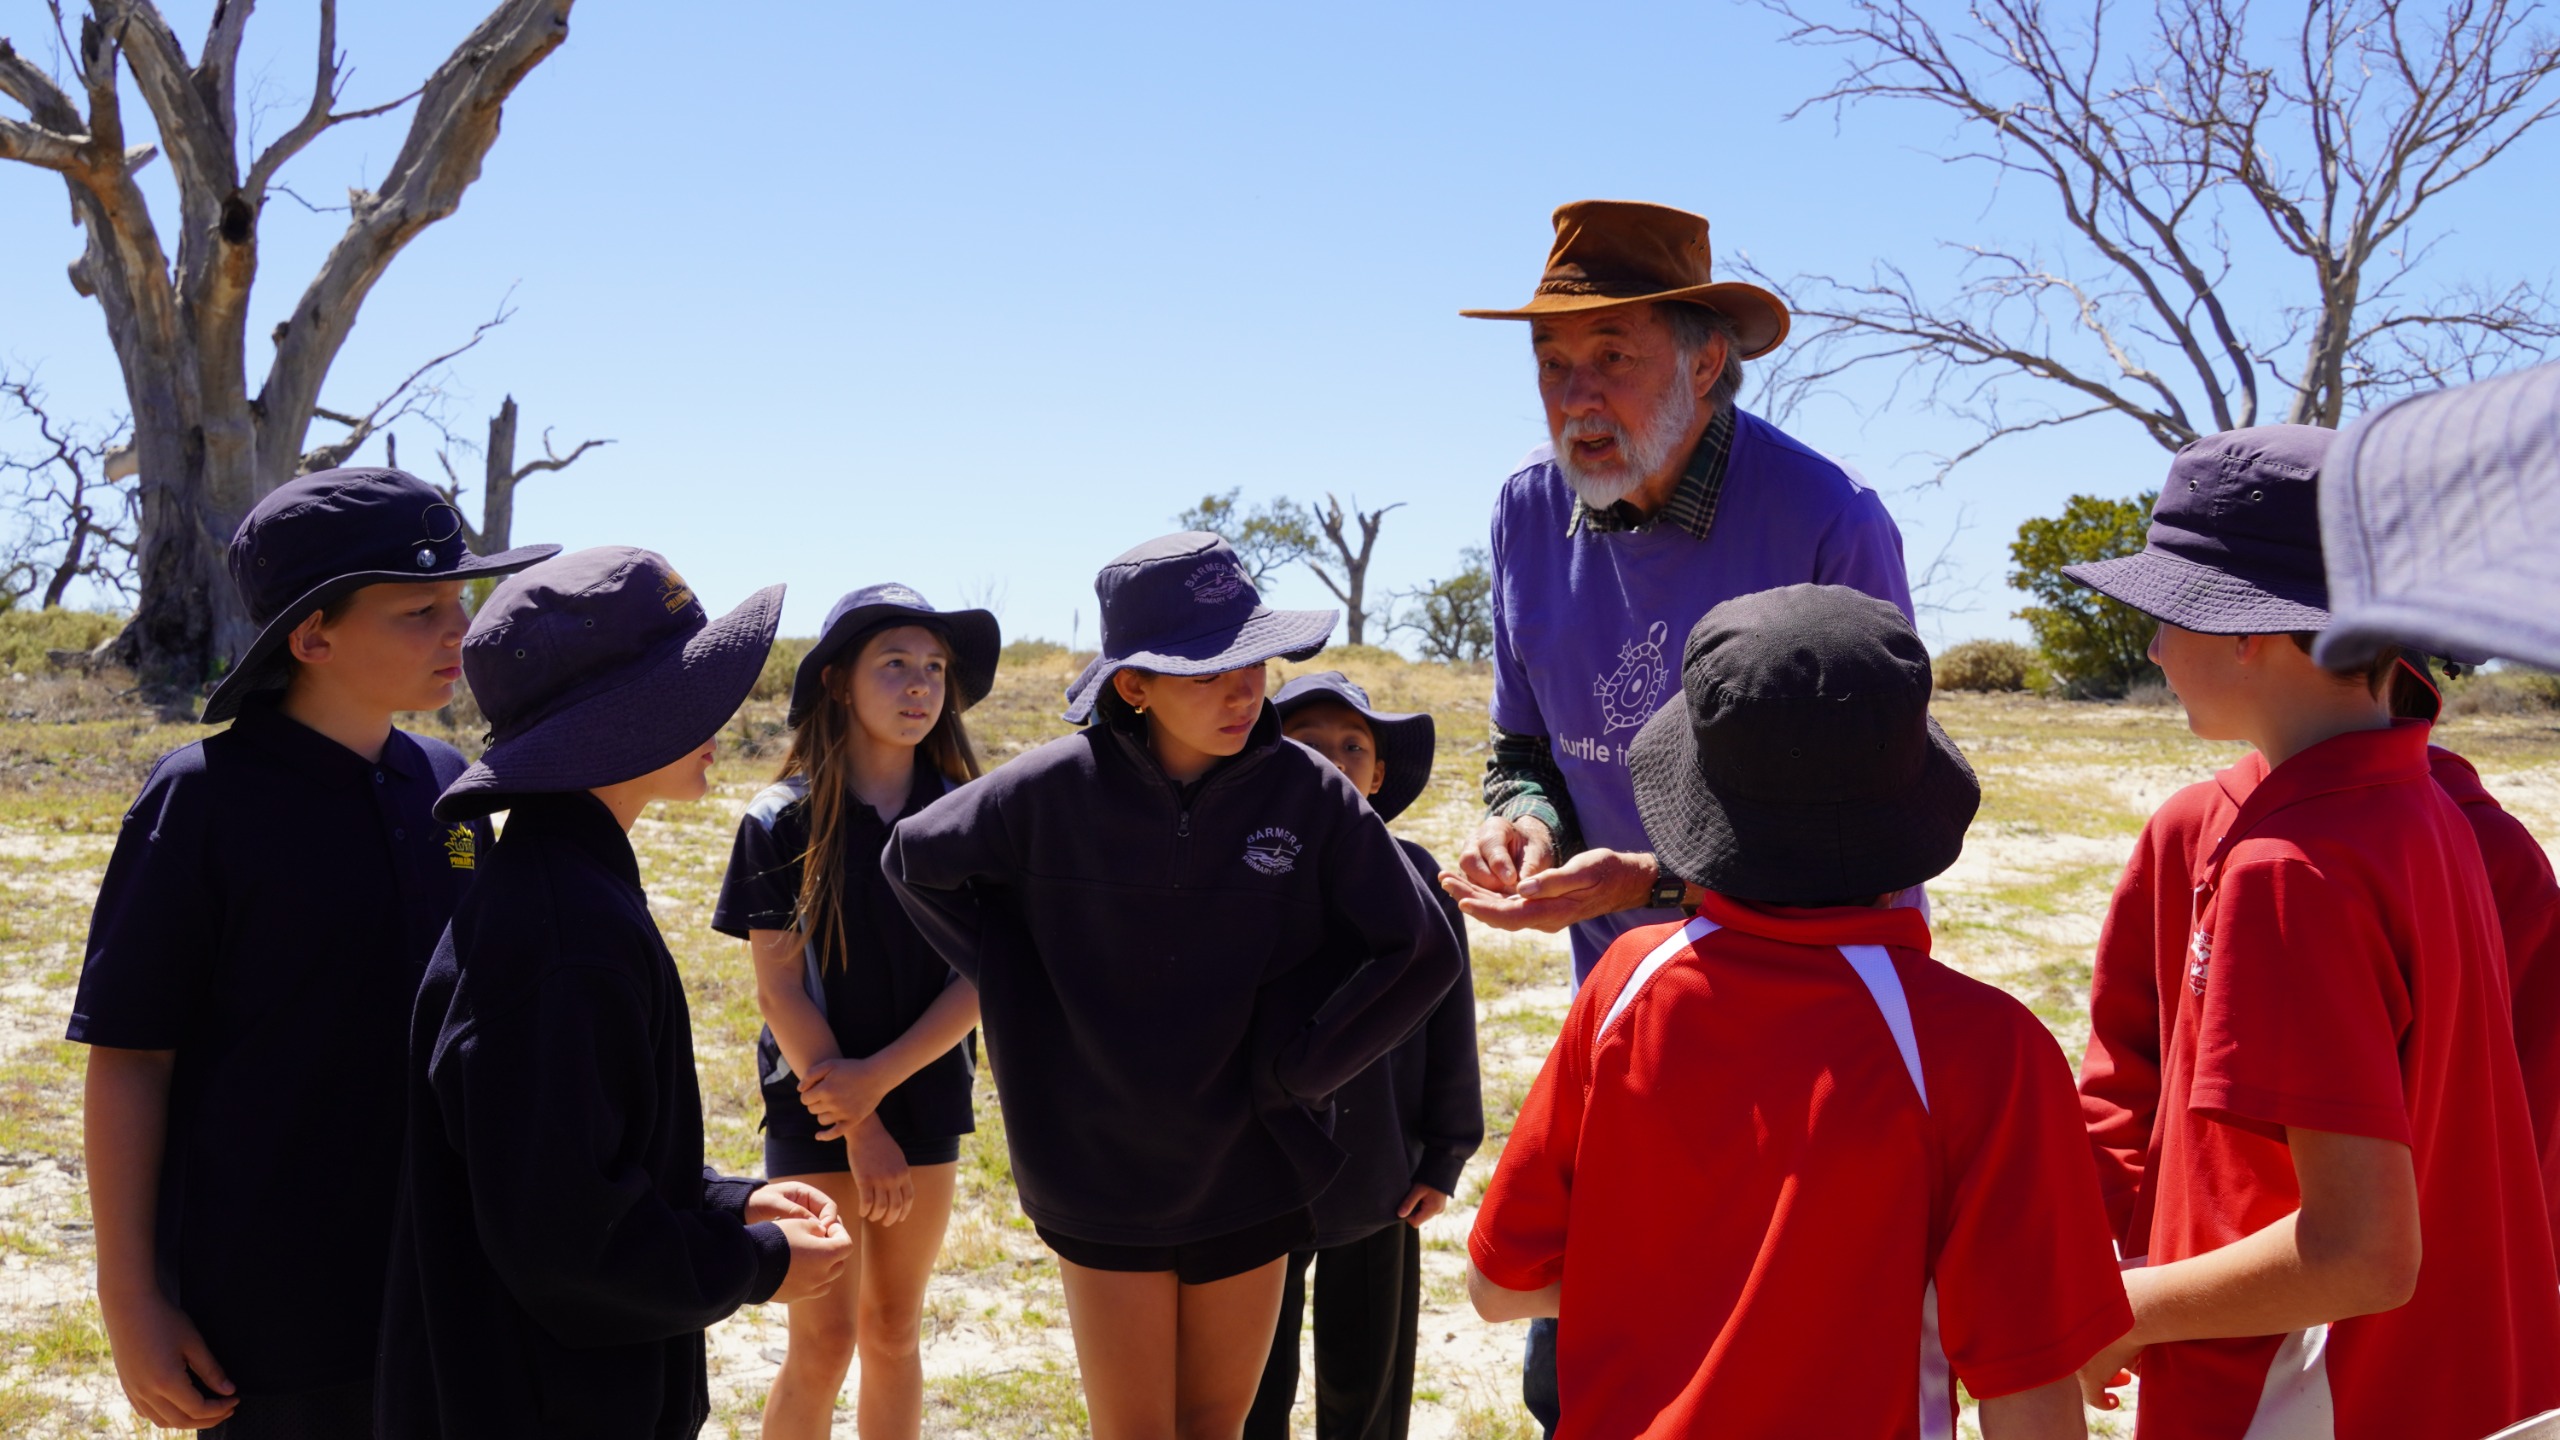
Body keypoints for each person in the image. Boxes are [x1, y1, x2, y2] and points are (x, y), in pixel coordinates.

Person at [1441, 196, 1915, 1431]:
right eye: (1552, 363)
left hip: (1817, 1019)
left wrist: (1648, 880)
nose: (1577, 396)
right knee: (1581, 1372)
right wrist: (1524, 825)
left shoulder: (1827, 520)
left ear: (1707, 364)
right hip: (1630, 1015)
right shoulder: (1523, 511)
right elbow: (1521, 748)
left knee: (1788, 1365)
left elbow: (1869, 822)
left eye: (1613, 355)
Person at [1466, 585, 2130, 1440]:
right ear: (1911, 803)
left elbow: (1499, 1287)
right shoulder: (1986, 1048)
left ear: (1700, 805)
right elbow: (2029, 1389)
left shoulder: (1626, 985)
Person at [885, 533, 1463, 1440]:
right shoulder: (1050, 790)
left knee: (1214, 1427)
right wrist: (1032, 995)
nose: (1243, 691)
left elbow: (1422, 950)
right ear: (1134, 686)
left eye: (1254, 662)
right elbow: (913, 862)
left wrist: (1302, 1071)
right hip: (1098, 1164)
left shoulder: (1309, 792)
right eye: (1207, 672)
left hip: (1253, 1160)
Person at [2061, 426, 2560, 1437]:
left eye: (2165, 613)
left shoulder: (2290, 868)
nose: (2152, 648)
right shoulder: (2422, 812)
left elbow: (2360, 1255)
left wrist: (2124, 1307)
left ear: (2244, 627)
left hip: (2304, 1390)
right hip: (2436, 1380)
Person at [67, 467, 556, 1435]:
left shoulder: (453, 785)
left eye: (459, 601)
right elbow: (130, 1057)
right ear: (312, 637)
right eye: (419, 610)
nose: (458, 630)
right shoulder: (200, 799)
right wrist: (131, 1299)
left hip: (446, 1281)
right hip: (268, 1310)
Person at [377, 547, 854, 1439]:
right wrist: (752, 1263)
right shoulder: (564, 934)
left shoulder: (561, 885)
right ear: (612, 722)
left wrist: (725, 1203)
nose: (715, 715)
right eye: (684, 689)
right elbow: (568, 1242)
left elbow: (573, 1156)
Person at [714, 584, 999, 1440]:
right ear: (838, 683)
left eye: (935, 668)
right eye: (894, 664)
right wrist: (859, 1120)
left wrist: (880, 1084)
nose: (920, 685)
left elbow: (980, 977)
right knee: (824, 1339)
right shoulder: (779, 819)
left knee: (894, 1329)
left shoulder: (967, 814)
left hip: (925, 1092)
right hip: (817, 1096)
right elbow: (780, 991)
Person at [1245, 672, 1483, 1440]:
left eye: (1354, 747)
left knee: (1368, 1391)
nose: (1334, 761)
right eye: (1308, 744)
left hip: (1383, 1177)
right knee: (1251, 1388)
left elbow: (1451, 1029)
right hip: (1256, 1180)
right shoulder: (1241, 874)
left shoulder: (1418, 880)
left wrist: (1444, 1154)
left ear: (1378, 773)